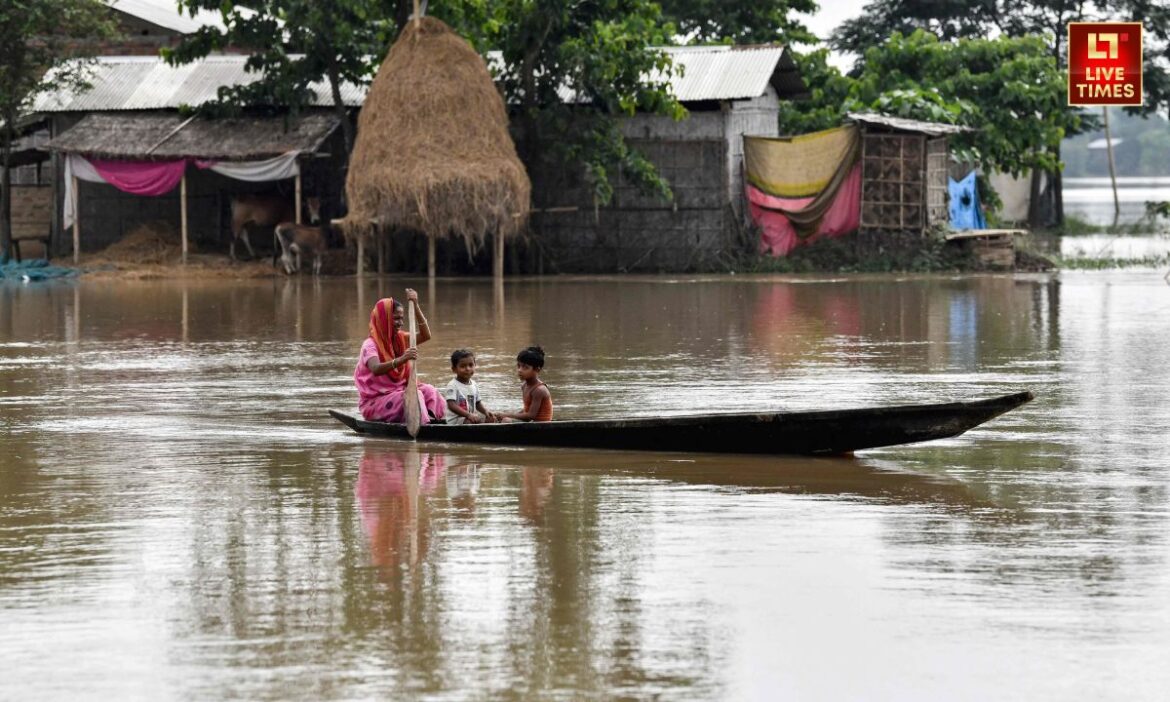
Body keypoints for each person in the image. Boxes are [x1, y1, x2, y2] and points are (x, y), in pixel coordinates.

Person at [354, 289, 447, 423]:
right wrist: (402, 359)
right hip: (374, 402)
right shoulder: (370, 345)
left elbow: (426, 335)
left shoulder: (400, 338)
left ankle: (437, 420)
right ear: (384, 319)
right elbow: (375, 368)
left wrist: (415, 306)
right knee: (414, 395)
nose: (401, 323)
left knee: (429, 390)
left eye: (402, 319)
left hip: (398, 391)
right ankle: (423, 423)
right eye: (396, 319)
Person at [497, 346, 553, 422]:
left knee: (506, 420)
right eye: (518, 366)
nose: (520, 370)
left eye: (525, 367)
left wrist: (507, 415)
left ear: (537, 370)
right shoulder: (524, 386)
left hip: (541, 427)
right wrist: (506, 415)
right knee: (493, 419)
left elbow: (530, 416)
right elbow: (527, 409)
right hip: (531, 423)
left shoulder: (539, 390)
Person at [443, 349, 496, 425]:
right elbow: (451, 405)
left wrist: (485, 411)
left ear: (475, 366)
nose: (467, 369)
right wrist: (468, 415)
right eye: (463, 366)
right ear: (454, 369)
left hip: (470, 417)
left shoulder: (474, 384)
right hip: (456, 421)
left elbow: (477, 403)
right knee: (470, 422)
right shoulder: (452, 385)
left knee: (491, 419)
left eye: (471, 365)